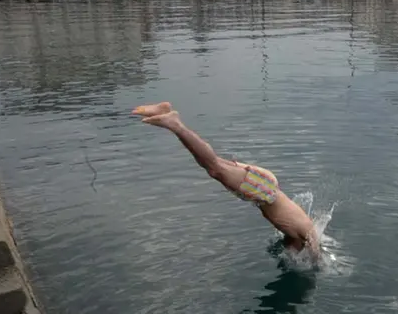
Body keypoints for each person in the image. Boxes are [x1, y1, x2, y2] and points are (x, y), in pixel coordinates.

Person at [133, 102, 319, 255]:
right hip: (263, 190)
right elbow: (316, 252)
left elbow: (289, 244)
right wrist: (318, 261)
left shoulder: (295, 234)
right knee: (214, 167)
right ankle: (175, 124)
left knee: (212, 164)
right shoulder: (308, 234)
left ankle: (167, 115)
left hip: (265, 187)